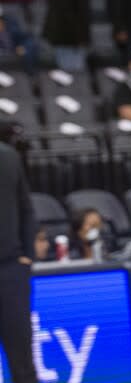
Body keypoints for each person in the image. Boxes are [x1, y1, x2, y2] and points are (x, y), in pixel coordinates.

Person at [0, 142, 37, 383]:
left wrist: (27, 255)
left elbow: (26, 208)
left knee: (22, 358)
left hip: (10, 269)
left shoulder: (8, 156)